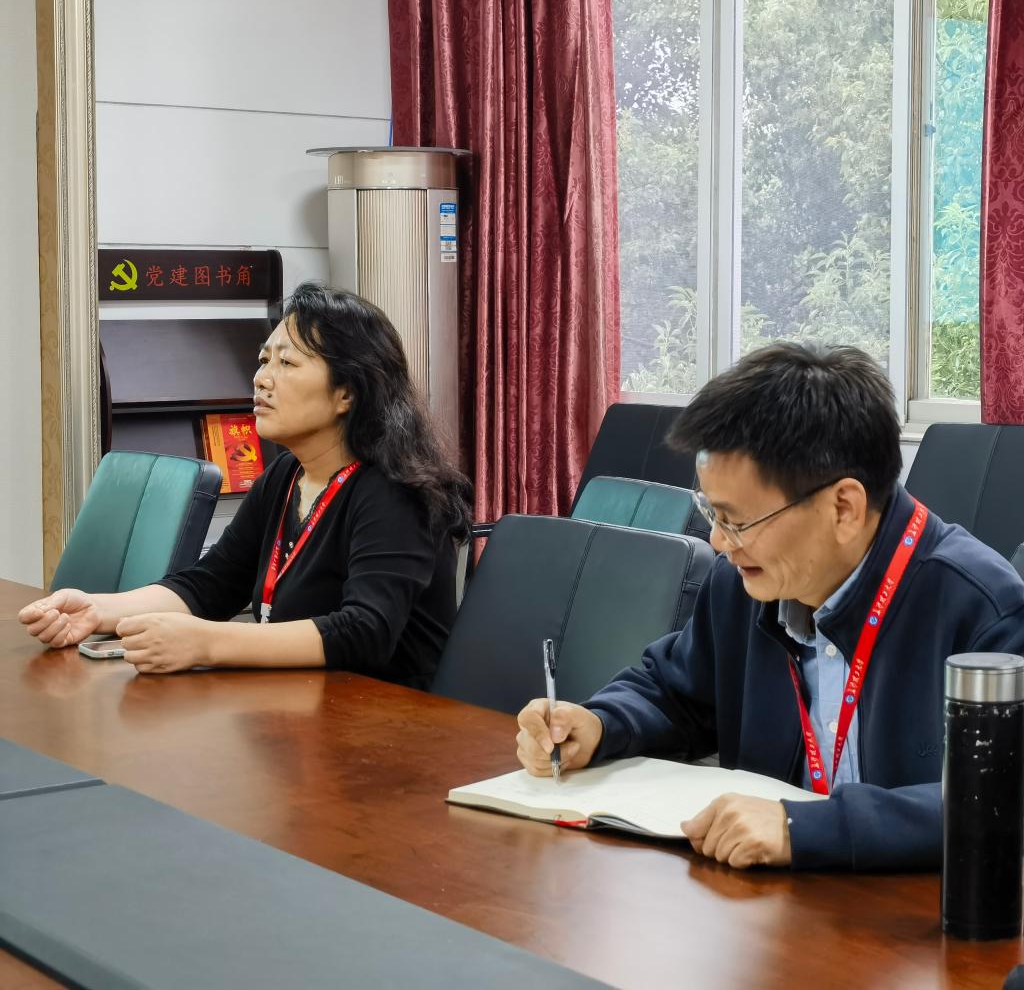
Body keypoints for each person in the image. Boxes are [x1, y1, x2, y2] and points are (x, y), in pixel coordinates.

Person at [516, 342, 1024, 871]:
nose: (718, 542)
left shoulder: (984, 607)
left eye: (738, 521)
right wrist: (598, 724)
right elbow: (675, 693)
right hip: (765, 900)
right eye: (711, 514)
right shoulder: (742, 583)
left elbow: (1000, 798)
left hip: (912, 910)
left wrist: (804, 828)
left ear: (844, 508)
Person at [19, 283, 472, 688]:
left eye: (287, 362)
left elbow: (364, 631)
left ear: (347, 393)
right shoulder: (286, 475)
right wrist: (98, 610)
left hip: (388, 724)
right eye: (263, 360)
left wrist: (206, 643)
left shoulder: (394, 489)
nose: (261, 379)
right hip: (299, 712)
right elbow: (209, 585)